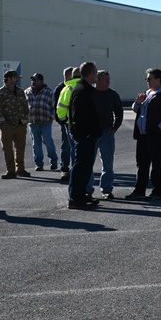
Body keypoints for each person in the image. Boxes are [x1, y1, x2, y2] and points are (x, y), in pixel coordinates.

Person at [126, 67, 161, 201]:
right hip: (144, 135)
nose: (147, 81)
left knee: (157, 163)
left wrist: (159, 128)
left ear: (158, 80)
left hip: (159, 135)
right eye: (146, 79)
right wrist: (137, 102)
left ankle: (157, 192)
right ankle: (139, 191)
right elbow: (136, 109)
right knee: (142, 163)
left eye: (149, 78)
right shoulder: (147, 93)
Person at [66, 61, 102, 209]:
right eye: (96, 72)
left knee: (86, 167)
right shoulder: (81, 90)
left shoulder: (85, 89)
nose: (97, 75)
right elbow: (78, 116)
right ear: (91, 73)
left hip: (87, 135)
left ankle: (81, 195)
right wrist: (87, 133)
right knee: (80, 167)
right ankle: (75, 198)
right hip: (84, 136)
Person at [87, 69, 123, 199]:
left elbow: (119, 112)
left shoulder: (112, 95)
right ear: (97, 79)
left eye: (109, 79)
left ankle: (106, 189)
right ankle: (88, 190)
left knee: (108, 163)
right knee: (88, 162)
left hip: (107, 132)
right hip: (91, 133)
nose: (108, 82)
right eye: (105, 79)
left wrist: (116, 126)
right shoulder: (89, 93)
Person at [0, 69, 31, 179]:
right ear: (9, 79)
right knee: (7, 149)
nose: (17, 79)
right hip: (6, 126)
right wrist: (3, 123)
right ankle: (11, 171)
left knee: (20, 148)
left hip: (20, 125)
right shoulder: (0, 93)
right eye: (15, 77)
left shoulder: (20, 92)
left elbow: (25, 107)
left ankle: (21, 169)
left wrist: (24, 121)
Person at [25, 73, 59, 171]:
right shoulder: (27, 92)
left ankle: (53, 161)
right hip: (32, 122)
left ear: (41, 81)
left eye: (36, 80)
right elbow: (24, 106)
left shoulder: (49, 92)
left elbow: (54, 107)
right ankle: (39, 164)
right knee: (36, 144)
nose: (33, 82)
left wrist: (51, 118)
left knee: (48, 141)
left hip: (46, 122)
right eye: (32, 80)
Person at [53, 67, 75, 179]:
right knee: (66, 146)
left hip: (73, 123)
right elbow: (56, 107)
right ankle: (65, 168)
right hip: (66, 123)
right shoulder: (61, 88)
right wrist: (61, 121)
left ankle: (74, 168)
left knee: (74, 147)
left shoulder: (74, 86)